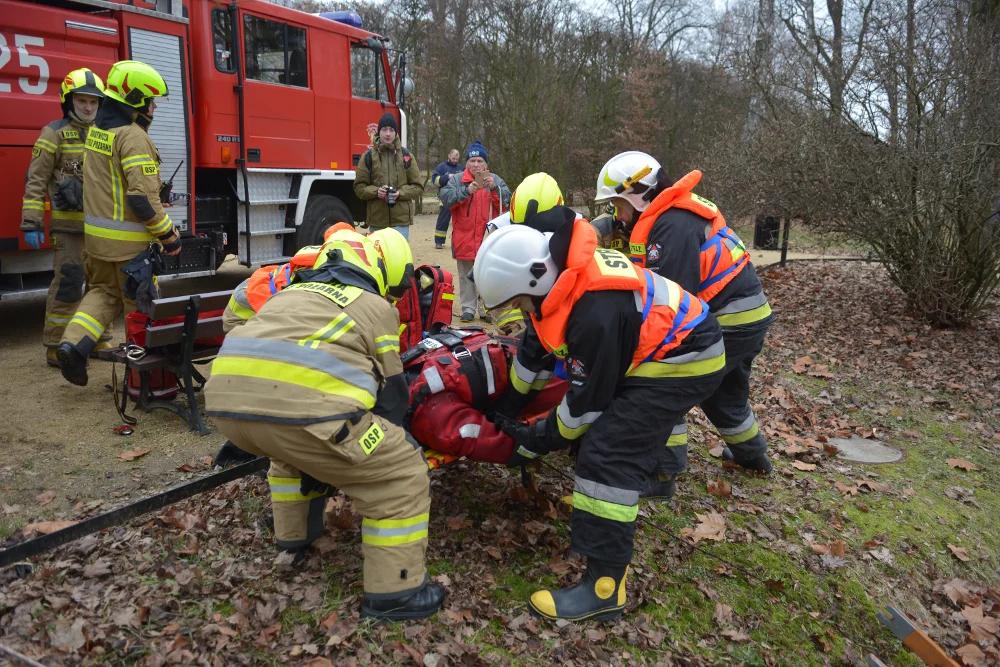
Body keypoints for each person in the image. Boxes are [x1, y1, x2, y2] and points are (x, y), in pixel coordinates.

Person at [478, 215, 725, 622]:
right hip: (660, 345)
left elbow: (584, 405)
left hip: (686, 356)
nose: (520, 310)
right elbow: (535, 353)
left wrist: (540, 436)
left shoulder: (595, 313)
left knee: (607, 453)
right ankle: (638, 486)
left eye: (519, 302)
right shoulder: (562, 281)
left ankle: (604, 588)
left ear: (536, 281)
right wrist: (506, 407)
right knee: (604, 439)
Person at [204, 233, 444, 621]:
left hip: (227, 407)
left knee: (289, 451)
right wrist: (366, 454)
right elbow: (393, 396)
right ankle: (396, 593)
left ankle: (294, 536)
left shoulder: (290, 292)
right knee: (401, 473)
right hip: (304, 417)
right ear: (379, 272)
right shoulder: (374, 306)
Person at [595, 152, 774, 474]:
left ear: (638, 197)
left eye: (618, 206)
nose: (617, 217)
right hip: (748, 317)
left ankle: (663, 468)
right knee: (724, 396)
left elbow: (670, 305)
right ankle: (753, 456)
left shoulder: (671, 227)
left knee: (664, 381)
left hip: (729, 320)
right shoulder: (672, 214)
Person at [56, 60, 181, 387]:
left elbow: (105, 185)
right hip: (131, 251)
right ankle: (146, 382)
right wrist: (169, 236)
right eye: (151, 100)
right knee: (139, 312)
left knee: (101, 295)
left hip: (97, 245)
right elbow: (141, 200)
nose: (154, 107)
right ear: (137, 99)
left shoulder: (98, 132)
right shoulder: (133, 137)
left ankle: (71, 345)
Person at [21, 68, 110, 367]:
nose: (88, 107)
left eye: (93, 102)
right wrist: (31, 222)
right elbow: (35, 181)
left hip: (101, 229)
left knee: (101, 286)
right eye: (82, 101)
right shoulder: (53, 133)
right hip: (69, 230)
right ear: (69, 101)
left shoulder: (105, 135)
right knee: (69, 284)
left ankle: (98, 337)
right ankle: (55, 344)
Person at [439, 140, 511, 322]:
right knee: (465, 275)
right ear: (466, 163)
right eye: (472, 161)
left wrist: (494, 188)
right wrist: (465, 191)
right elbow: (446, 200)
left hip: (488, 238)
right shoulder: (456, 180)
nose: (476, 165)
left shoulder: (496, 180)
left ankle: (486, 309)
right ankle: (468, 308)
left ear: (486, 164)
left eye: (480, 161)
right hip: (464, 237)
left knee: (488, 275)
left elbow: (508, 203)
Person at [353, 113, 422, 240]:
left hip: (401, 221)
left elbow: (418, 187)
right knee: (378, 258)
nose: (388, 134)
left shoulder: (407, 156)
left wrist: (400, 194)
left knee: (400, 258)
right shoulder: (368, 157)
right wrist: (376, 192)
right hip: (377, 220)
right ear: (379, 132)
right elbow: (359, 188)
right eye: (384, 129)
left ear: (396, 133)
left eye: (391, 130)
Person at [430, 149, 463, 249]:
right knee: (443, 220)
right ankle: (439, 242)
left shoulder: (461, 168)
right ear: (449, 156)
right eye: (453, 158)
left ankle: (458, 242)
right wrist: (447, 177)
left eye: (457, 159)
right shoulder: (442, 167)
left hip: (458, 198)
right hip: (445, 198)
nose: (455, 161)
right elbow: (435, 180)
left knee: (460, 221)